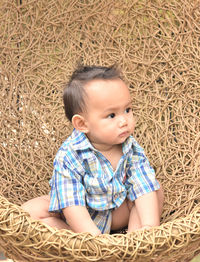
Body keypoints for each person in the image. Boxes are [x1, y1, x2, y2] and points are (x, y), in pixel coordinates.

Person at [22, 65, 164, 236]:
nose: (124, 121)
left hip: (115, 213)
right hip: (76, 218)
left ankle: (134, 239)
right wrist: (92, 238)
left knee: (154, 190)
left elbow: (143, 184)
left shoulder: (130, 147)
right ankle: (78, 241)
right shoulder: (70, 154)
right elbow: (70, 201)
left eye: (127, 110)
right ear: (82, 124)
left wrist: (150, 226)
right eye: (112, 115)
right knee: (29, 211)